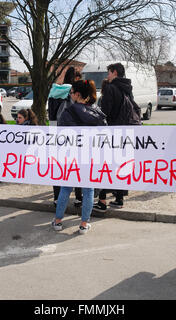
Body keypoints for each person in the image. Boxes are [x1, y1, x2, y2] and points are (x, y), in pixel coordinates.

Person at [52, 79, 107, 234]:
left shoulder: (68, 112)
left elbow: (61, 136)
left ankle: (57, 221)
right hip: (90, 157)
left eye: (71, 92)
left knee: (65, 188)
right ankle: (84, 224)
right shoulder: (97, 113)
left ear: (77, 94)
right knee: (88, 190)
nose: (70, 95)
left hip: (71, 157)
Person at [93, 62, 132, 212]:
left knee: (106, 166)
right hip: (125, 131)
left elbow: (105, 112)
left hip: (111, 131)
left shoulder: (110, 88)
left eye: (108, 72)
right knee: (121, 166)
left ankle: (102, 201)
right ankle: (119, 199)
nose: (107, 75)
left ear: (114, 72)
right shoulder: (127, 88)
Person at [48, 66, 83, 208]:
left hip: (54, 132)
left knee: (57, 166)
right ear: (75, 78)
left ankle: (57, 197)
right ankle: (78, 197)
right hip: (71, 132)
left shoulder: (53, 91)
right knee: (76, 164)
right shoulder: (74, 92)